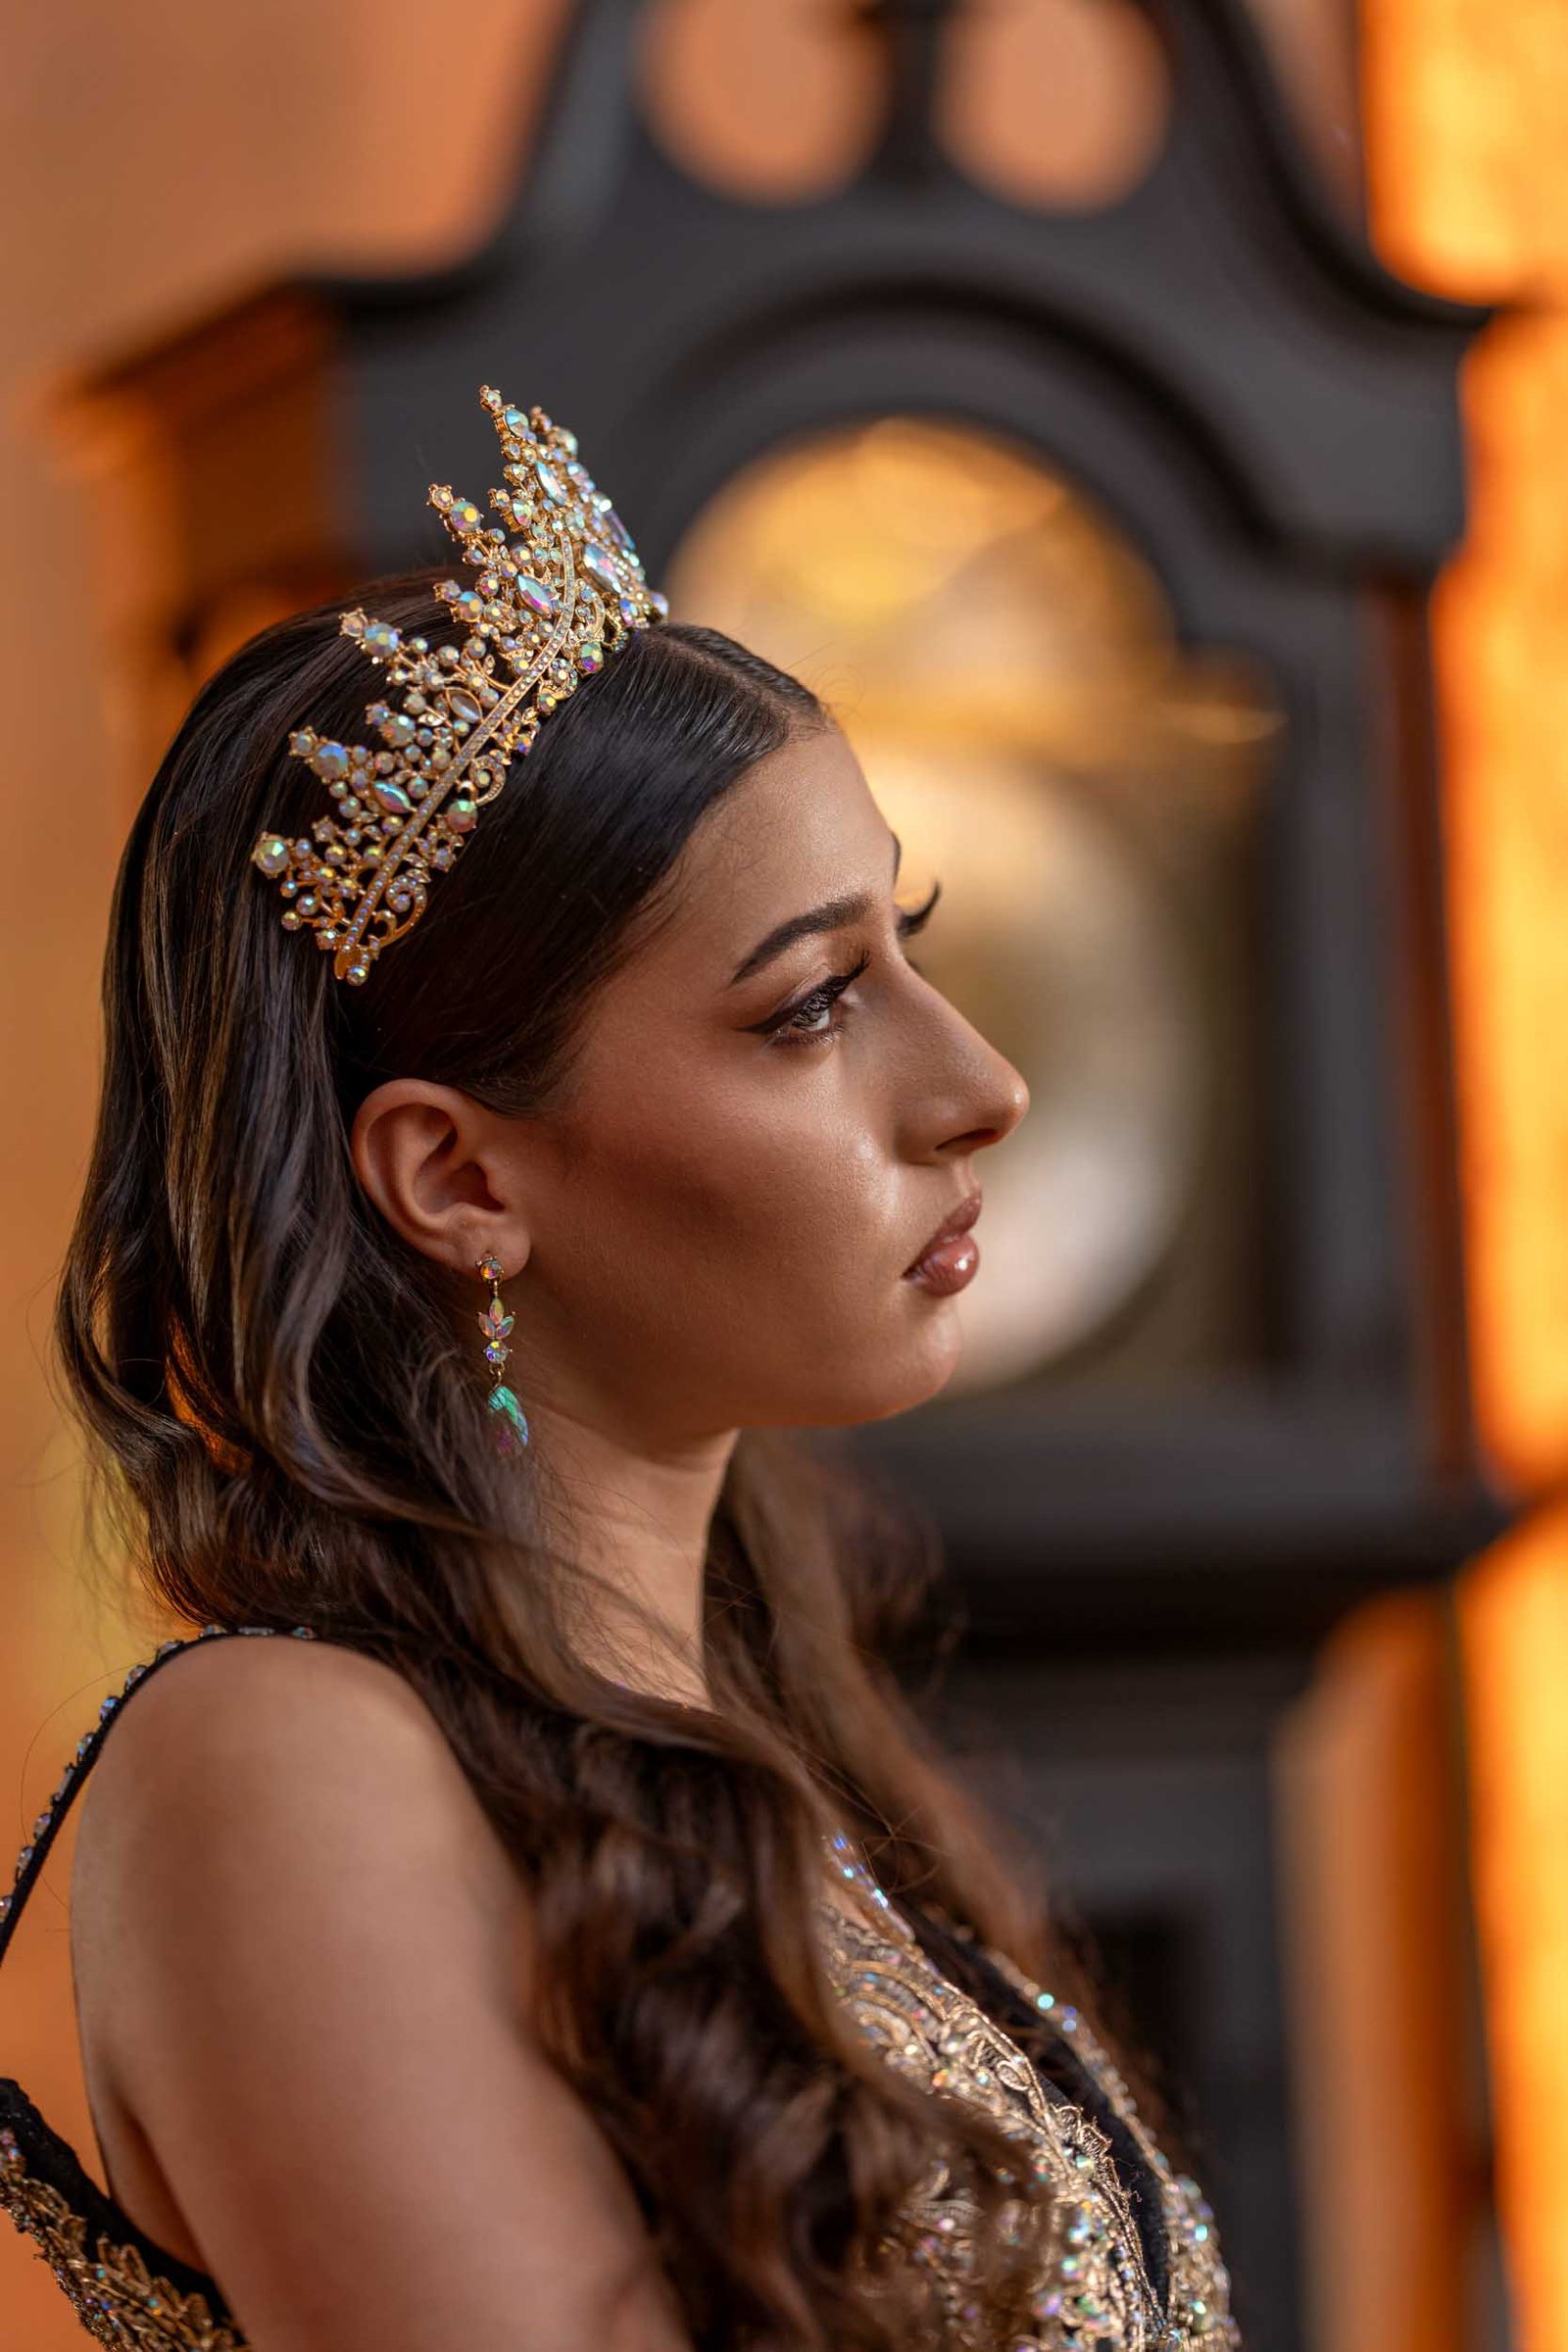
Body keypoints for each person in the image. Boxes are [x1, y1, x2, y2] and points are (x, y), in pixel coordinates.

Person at [0, 387, 1238, 2352]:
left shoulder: (770, 1747)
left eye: (910, 940)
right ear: (458, 1178)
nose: (983, 1084)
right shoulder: (281, 1762)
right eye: (811, 1005)